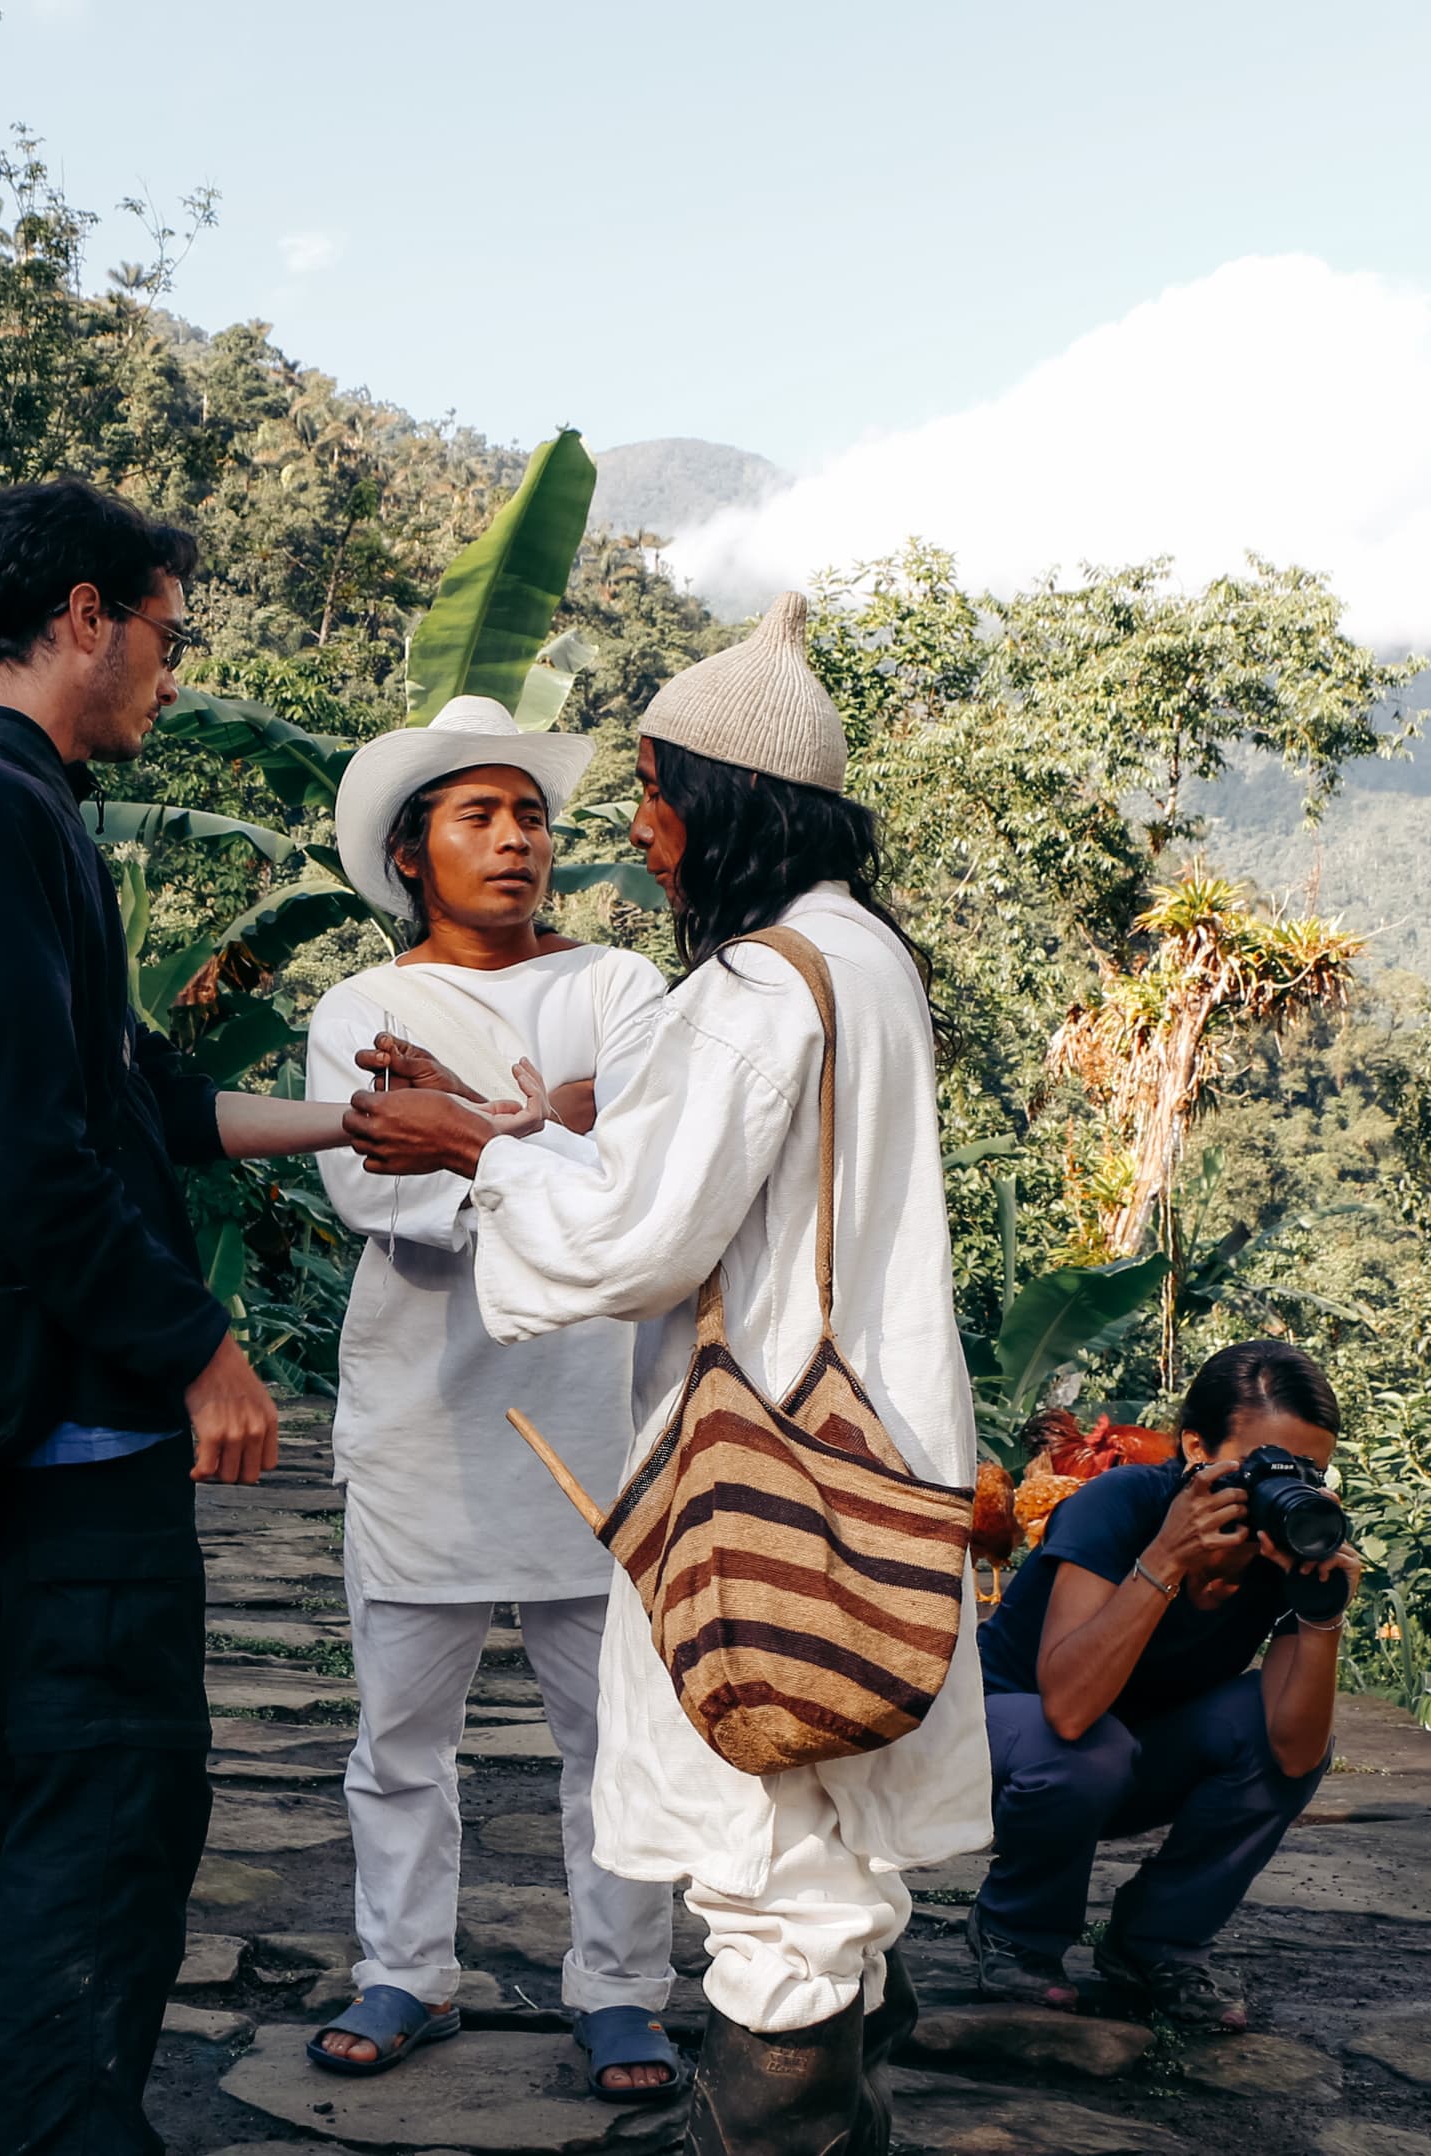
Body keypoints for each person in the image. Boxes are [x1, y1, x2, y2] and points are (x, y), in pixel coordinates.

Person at [346, 595, 986, 2156]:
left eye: (653, 789)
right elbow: (673, 1165)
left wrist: (467, 1154)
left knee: (769, 1835)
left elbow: (633, 1235)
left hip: (776, 1472)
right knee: (828, 1822)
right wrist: (495, 1130)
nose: (636, 827)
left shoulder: (765, 983)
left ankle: (776, 2127)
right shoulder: (862, 961)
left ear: (725, 804)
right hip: (878, 1458)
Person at [0, 478, 363, 2156]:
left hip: (37, 1413)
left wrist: (351, 1122)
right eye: (165, 635)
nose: (168, 669)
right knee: (108, 1797)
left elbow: (128, 1090)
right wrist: (198, 1346)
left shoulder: (2, 801)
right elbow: (25, 1147)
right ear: (84, 614)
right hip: (75, 1415)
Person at [295, 697, 686, 2098]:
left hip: (603, 1423)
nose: (517, 840)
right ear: (414, 851)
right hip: (424, 1427)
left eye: (530, 815)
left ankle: (623, 1988)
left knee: (616, 1741)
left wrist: (466, 1121)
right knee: (401, 1739)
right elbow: (381, 1198)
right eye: (481, 815)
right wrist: (552, 1117)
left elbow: (651, 1171)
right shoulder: (364, 1009)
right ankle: (405, 1971)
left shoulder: (623, 987)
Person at [970, 1340, 1356, 2031]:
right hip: (1000, 1748)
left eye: (1307, 1470)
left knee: (1276, 1730)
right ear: (1195, 1448)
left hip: (1123, 1757)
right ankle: (1015, 1934)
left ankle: (1157, 1944)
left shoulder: (1291, 1548)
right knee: (1090, 1747)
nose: (1283, 1485)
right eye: (1261, 1466)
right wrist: (1165, 1559)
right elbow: (1067, 1707)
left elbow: (1294, 1756)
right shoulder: (1120, 1505)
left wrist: (1320, 1617)